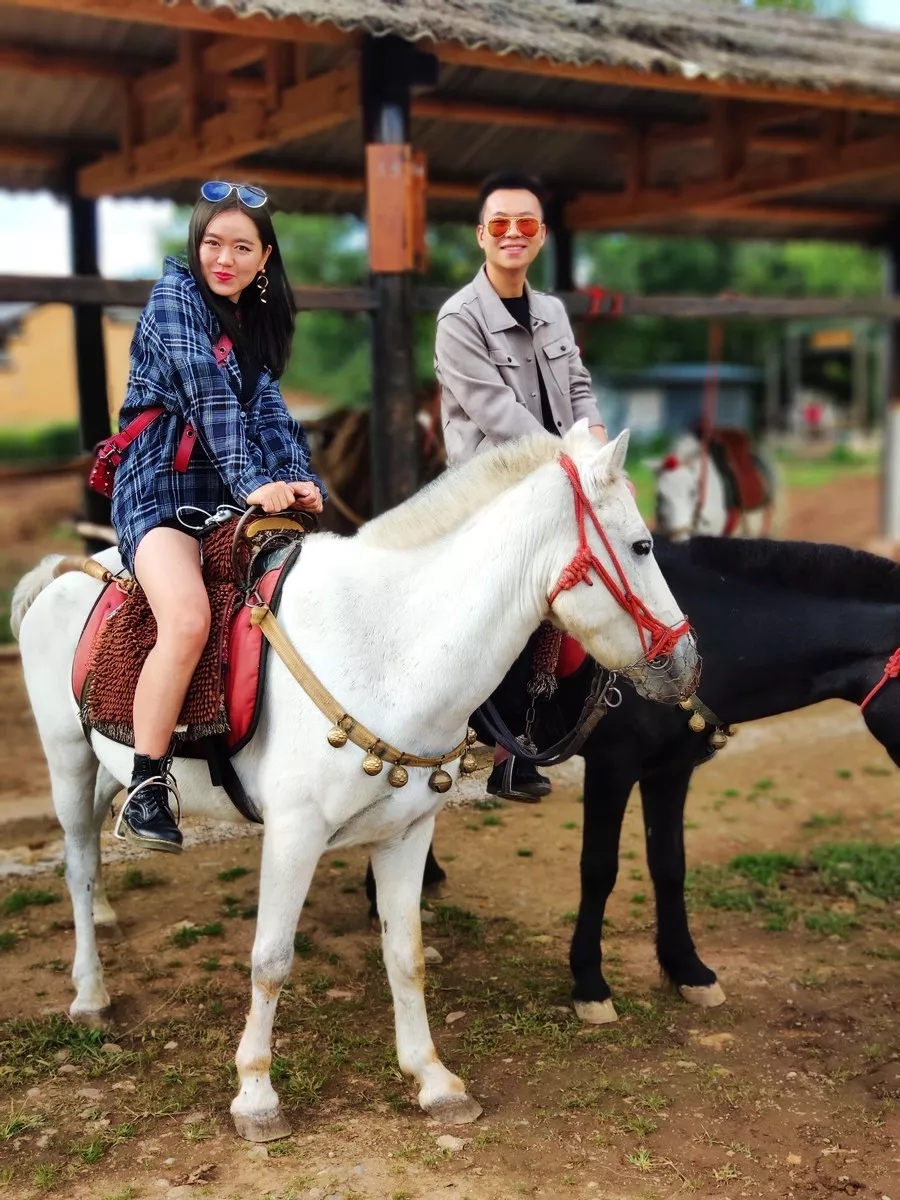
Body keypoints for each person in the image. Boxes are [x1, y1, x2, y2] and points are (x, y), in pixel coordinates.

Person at [110, 181, 324, 853]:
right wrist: (259, 483)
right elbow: (209, 401)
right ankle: (147, 782)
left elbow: (269, 415)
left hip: (229, 498)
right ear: (194, 245)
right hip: (160, 495)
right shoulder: (173, 299)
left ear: (265, 259)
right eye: (212, 243)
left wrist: (300, 479)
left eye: (241, 247)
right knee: (190, 616)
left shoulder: (251, 327)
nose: (223, 259)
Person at [434, 171, 608, 803]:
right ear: (482, 235)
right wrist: (574, 463)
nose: (513, 234)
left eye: (525, 224)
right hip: (494, 487)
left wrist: (594, 440)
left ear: (540, 236)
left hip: (561, 476)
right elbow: (497, 416)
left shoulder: (553, 312)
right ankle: (499, 739)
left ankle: (547, 730)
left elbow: (581, 387)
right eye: (500, 224)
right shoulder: (458, 319)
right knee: (512, 598)